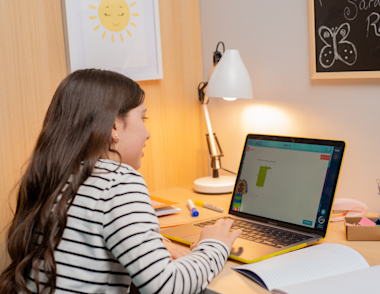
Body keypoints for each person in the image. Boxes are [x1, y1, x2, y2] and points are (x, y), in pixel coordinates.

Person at [0, 69, 242, 294]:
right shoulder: (118, 182)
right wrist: (214, 245)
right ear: (114, 126)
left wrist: (149, 245)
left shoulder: (53, 174)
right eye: (143, 118)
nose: (148, 133)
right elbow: (166, 286)